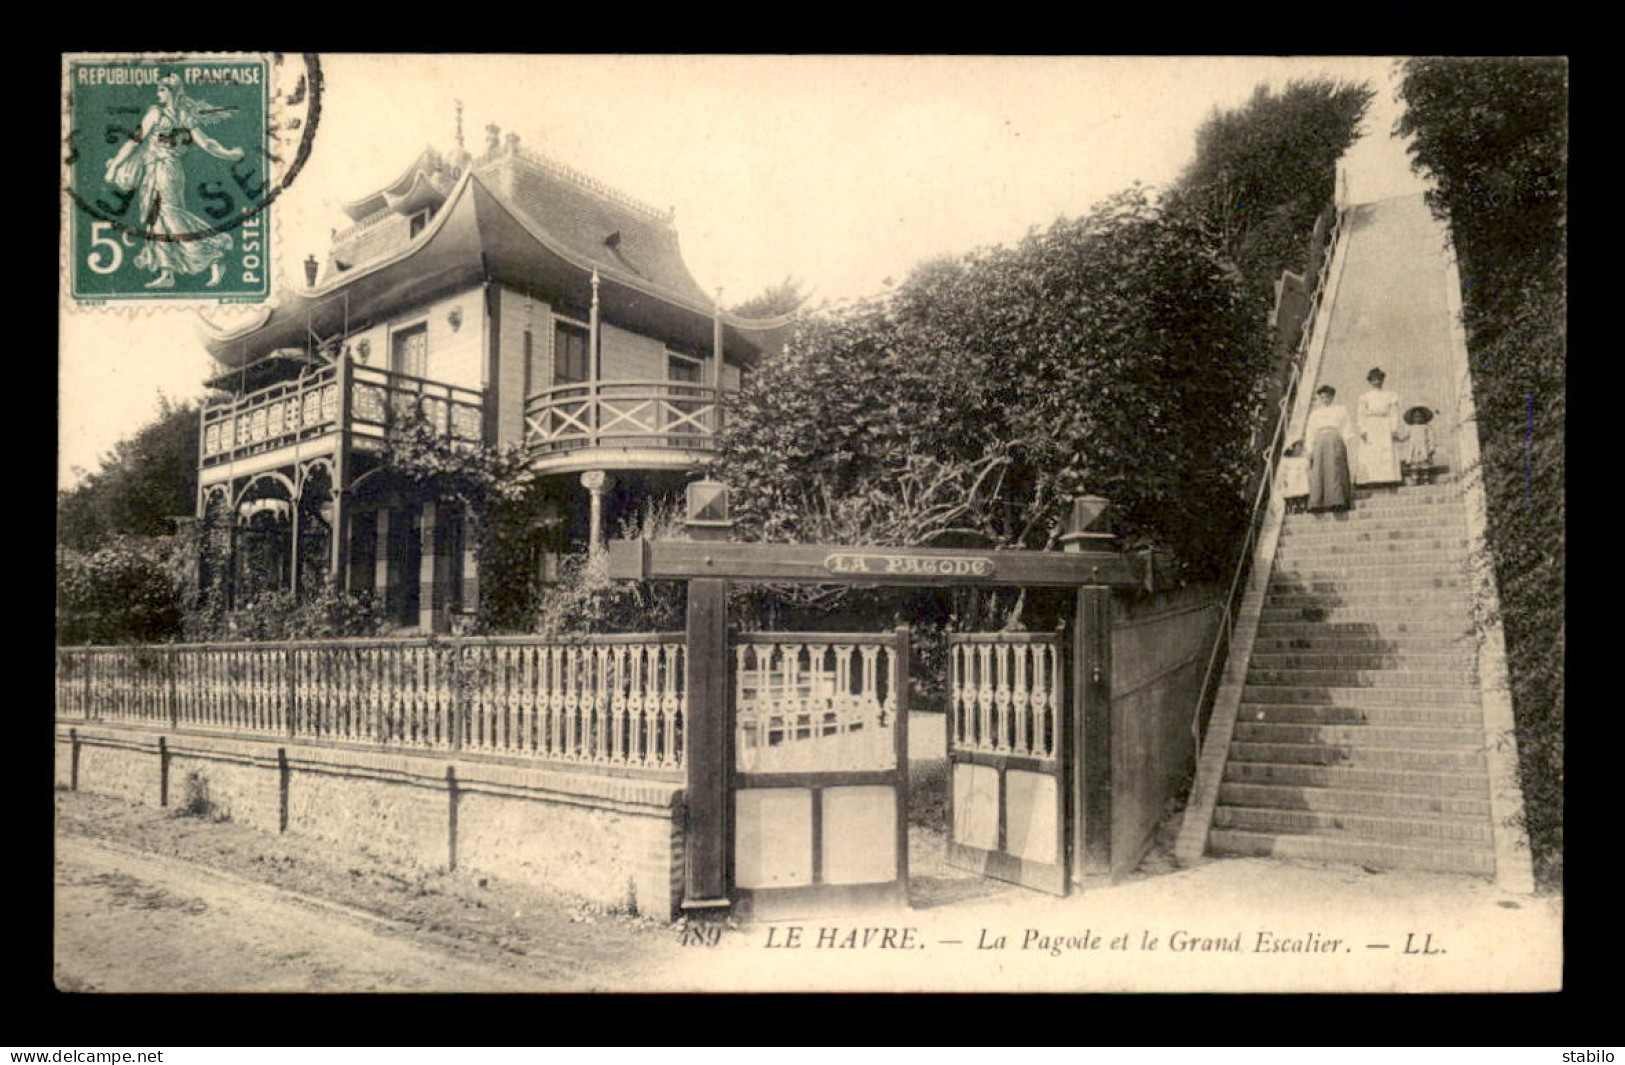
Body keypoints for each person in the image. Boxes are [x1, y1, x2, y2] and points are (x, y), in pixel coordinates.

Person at [103, 74, 244, 289]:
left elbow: (135, 142)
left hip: (165, 171)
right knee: (156, 220)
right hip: (158, 170)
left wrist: (114, 167)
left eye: (162, 90)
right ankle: (167, 272)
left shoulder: (157, 113)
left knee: (171, 216)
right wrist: (229, 154)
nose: (158, 93)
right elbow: (207, 144)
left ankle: (214, 254)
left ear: (171, 92)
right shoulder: (183, 115)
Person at [1305, 384, 1355, 513]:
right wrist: (1309, 448)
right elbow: (1310, 432)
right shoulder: (1315, 414)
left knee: (1335, 469)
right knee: (1318, 470)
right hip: (1319, 441)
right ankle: (1317, 502)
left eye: (1327, 397)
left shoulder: (1340, 410)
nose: (1325, 399)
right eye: (1322, 397)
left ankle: (1337, 501)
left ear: (1332, 397)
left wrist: (1346, 441)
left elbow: (1346, 426)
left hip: (1334, 439)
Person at [1355, 367, 1403, 486]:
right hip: (1371, 425)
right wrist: (1363, 429)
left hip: (1385, 425)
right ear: (1370, 381)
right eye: (1374, 379)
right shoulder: (1365, 397)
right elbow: (1361, 414)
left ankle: (1388, 478)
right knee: (1372, 452)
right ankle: (1372, 479)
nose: (1376, 382)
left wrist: (1394, 428)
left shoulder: (1390, 395)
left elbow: (1394, 413)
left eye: (1379, 379)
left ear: (1382, 380)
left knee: (1386, 451)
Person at [1401, 405, 1437, 485]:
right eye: (1415, 416)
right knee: (1414, 464)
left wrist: (1431, 448)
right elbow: (1405, 437)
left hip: (1424, 447)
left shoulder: (1426, 427)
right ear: (1412, 418)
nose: (1417, 418)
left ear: (1423, 417)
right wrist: (1399, 439)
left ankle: (1425, 479)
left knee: (1424, 464)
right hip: (1414, 448)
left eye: (1420, 416)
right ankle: (1415, 479)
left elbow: (1431, 438)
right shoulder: (1410, 428)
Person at [1277, 440, 1309, 514]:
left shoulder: (1303, 459)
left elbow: (1307, 467)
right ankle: (1291, 508)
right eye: (1297, 447)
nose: (1299, 450)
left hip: (1301, 478)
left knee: (1302, 491)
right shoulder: (1286, 460)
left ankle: (1301, 507)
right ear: (1293, 448)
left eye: (1301, 448)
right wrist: (1282, 480)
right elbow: (1282, 471)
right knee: (1291, 492)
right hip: (1291, 478)